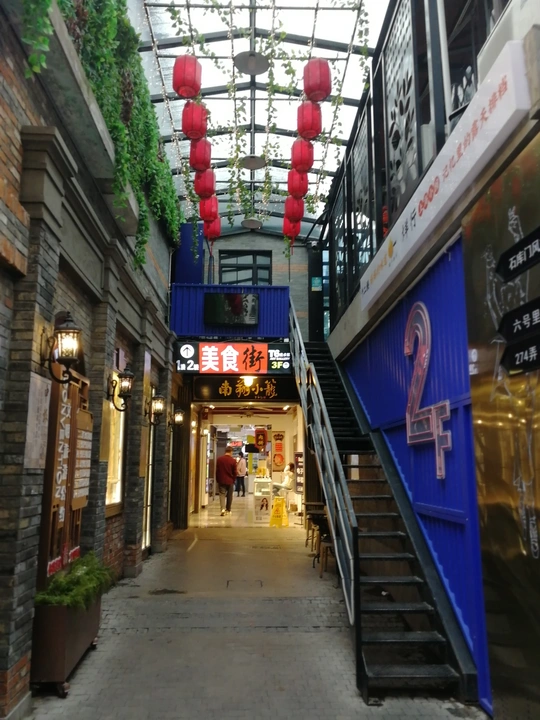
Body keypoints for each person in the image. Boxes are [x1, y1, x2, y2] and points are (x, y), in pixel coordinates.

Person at [216, 446, 238, 516]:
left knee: (222, 494)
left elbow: (217, 471)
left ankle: (222, 509)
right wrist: (233, 479)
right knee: (229, 495)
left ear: (225, 451)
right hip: (230, 481)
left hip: (221, 480)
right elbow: (235, 472)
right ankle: (228, 509)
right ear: (231, 452)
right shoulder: (233, 461)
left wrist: (218, 479)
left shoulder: (219, 459)